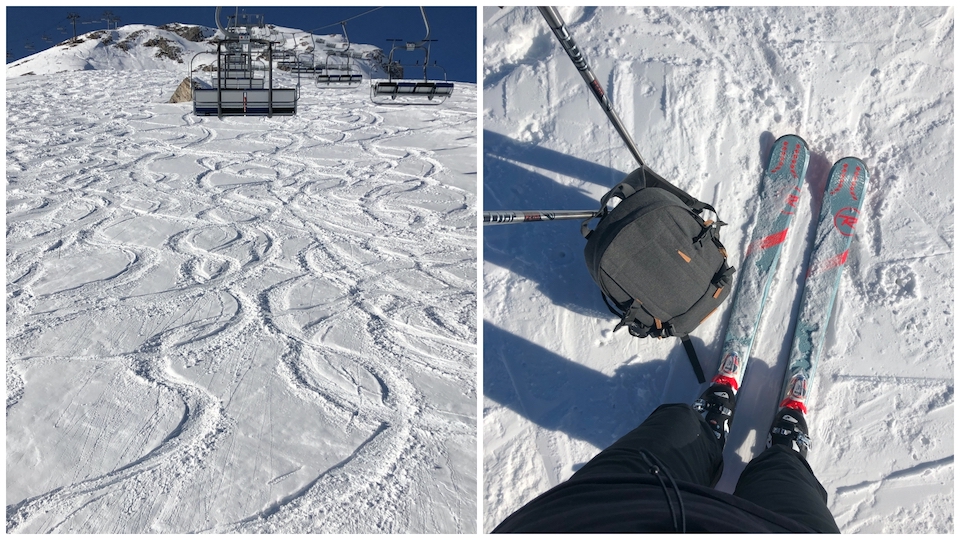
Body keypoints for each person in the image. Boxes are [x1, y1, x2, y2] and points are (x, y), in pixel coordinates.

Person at [492, 382, 840, 533]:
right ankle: (783, 456)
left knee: (673, 424)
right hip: (780, 530)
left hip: (606, 508)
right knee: (785, 479)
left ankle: (706, 430)